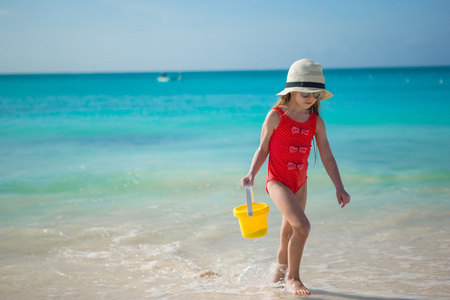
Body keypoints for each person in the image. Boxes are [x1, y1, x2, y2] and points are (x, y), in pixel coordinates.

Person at [240, 59, 350, 296]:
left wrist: (339, 187)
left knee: (288, 234)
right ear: (291, 91)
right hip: (277, 182)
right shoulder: (276, 116)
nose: (311, 98)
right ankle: (293, 278)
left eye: (316, 93)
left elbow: (328, 157)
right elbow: (263, 149)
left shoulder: (316, 122)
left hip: (300, 183)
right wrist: (252, 173)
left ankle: (275, 282)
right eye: (306, 92)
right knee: (303, 227)